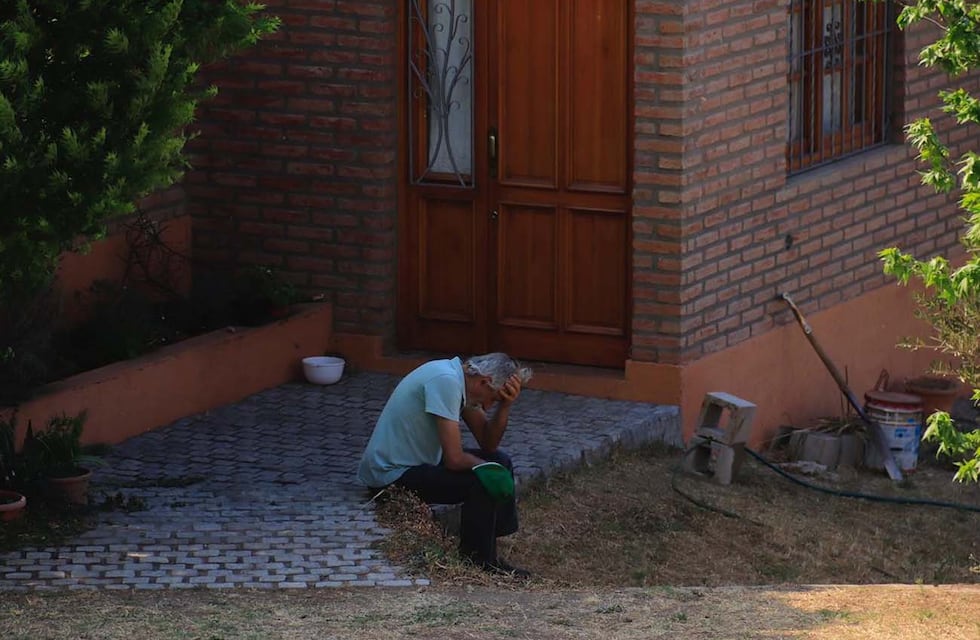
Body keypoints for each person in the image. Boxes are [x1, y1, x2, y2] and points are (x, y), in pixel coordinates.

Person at [357, 352, 533, 578]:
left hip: (419, 463)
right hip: (389, 476)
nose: (488, 407)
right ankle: (478, 561)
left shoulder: (463, 381)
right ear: (484, 381)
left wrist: (505, 406)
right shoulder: (445, 381)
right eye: (494, 399)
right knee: (483, 478)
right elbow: (455, 459)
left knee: (500, 461)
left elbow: (489, 443)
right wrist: (489, 470)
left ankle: (492, 536)